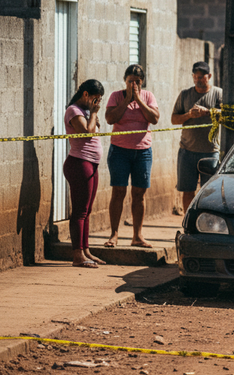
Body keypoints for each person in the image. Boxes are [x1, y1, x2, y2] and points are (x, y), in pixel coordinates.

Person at [104, 64, 160, 248]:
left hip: (143, 152)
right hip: (119, 151)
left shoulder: (148, 96)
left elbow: (154, 118)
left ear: (142, 82)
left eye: (137, 81)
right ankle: (114, 234)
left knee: (139, 194)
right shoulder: (116, 96)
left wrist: (139, 100)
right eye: (130, 81)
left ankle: (137, 236)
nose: (133, 85)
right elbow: (110, 118)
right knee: (118, 191)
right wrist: (127, 99)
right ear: (125, 81)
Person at [63, 79, 107, 268]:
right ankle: (77, 255)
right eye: (95, 99)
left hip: (92, 164)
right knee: (80, 211)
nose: (97, 103)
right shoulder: (74, 111)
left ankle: (86, 251)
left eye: (100, 100)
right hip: (79, 164)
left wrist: (93, 114)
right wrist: (94, 114)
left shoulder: (87, 112)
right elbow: (87, 134)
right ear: (86, 94)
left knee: (87, 210)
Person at [171, 61, 223, 212]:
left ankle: (207, 221)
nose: (198, 80)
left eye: (202, 77)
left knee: (209, 192)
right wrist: (189, 115)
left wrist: (207, 112)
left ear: (209, 76)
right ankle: (188, 221)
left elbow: (226, 116)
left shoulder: (218, 94)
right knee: (188, 191)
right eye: (196, 76)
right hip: (187, 151)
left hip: (210, 152)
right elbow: (174, 119)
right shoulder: (185, 95)